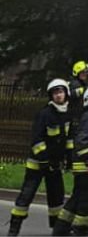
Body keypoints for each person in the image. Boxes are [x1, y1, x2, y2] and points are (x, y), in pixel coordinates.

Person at [7, 79, 71, 236]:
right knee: (26, 196)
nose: (58, 95)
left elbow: (69, 140)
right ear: (51, 96)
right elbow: (37, 140)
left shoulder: (67, 114)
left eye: (61, 92)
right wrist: (44, 160)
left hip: (54, 165)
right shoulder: (45, 114)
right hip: (37, 165)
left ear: (66, 94)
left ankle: (58, 232)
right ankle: (13, 230)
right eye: (55, 93)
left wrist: (69, 159)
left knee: (57, 199)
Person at [52, 84, 88, 237]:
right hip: (86, 168)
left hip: (85, 167)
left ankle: (60, 230)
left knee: (76, 199)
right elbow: (83, 142)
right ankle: (81, 231)